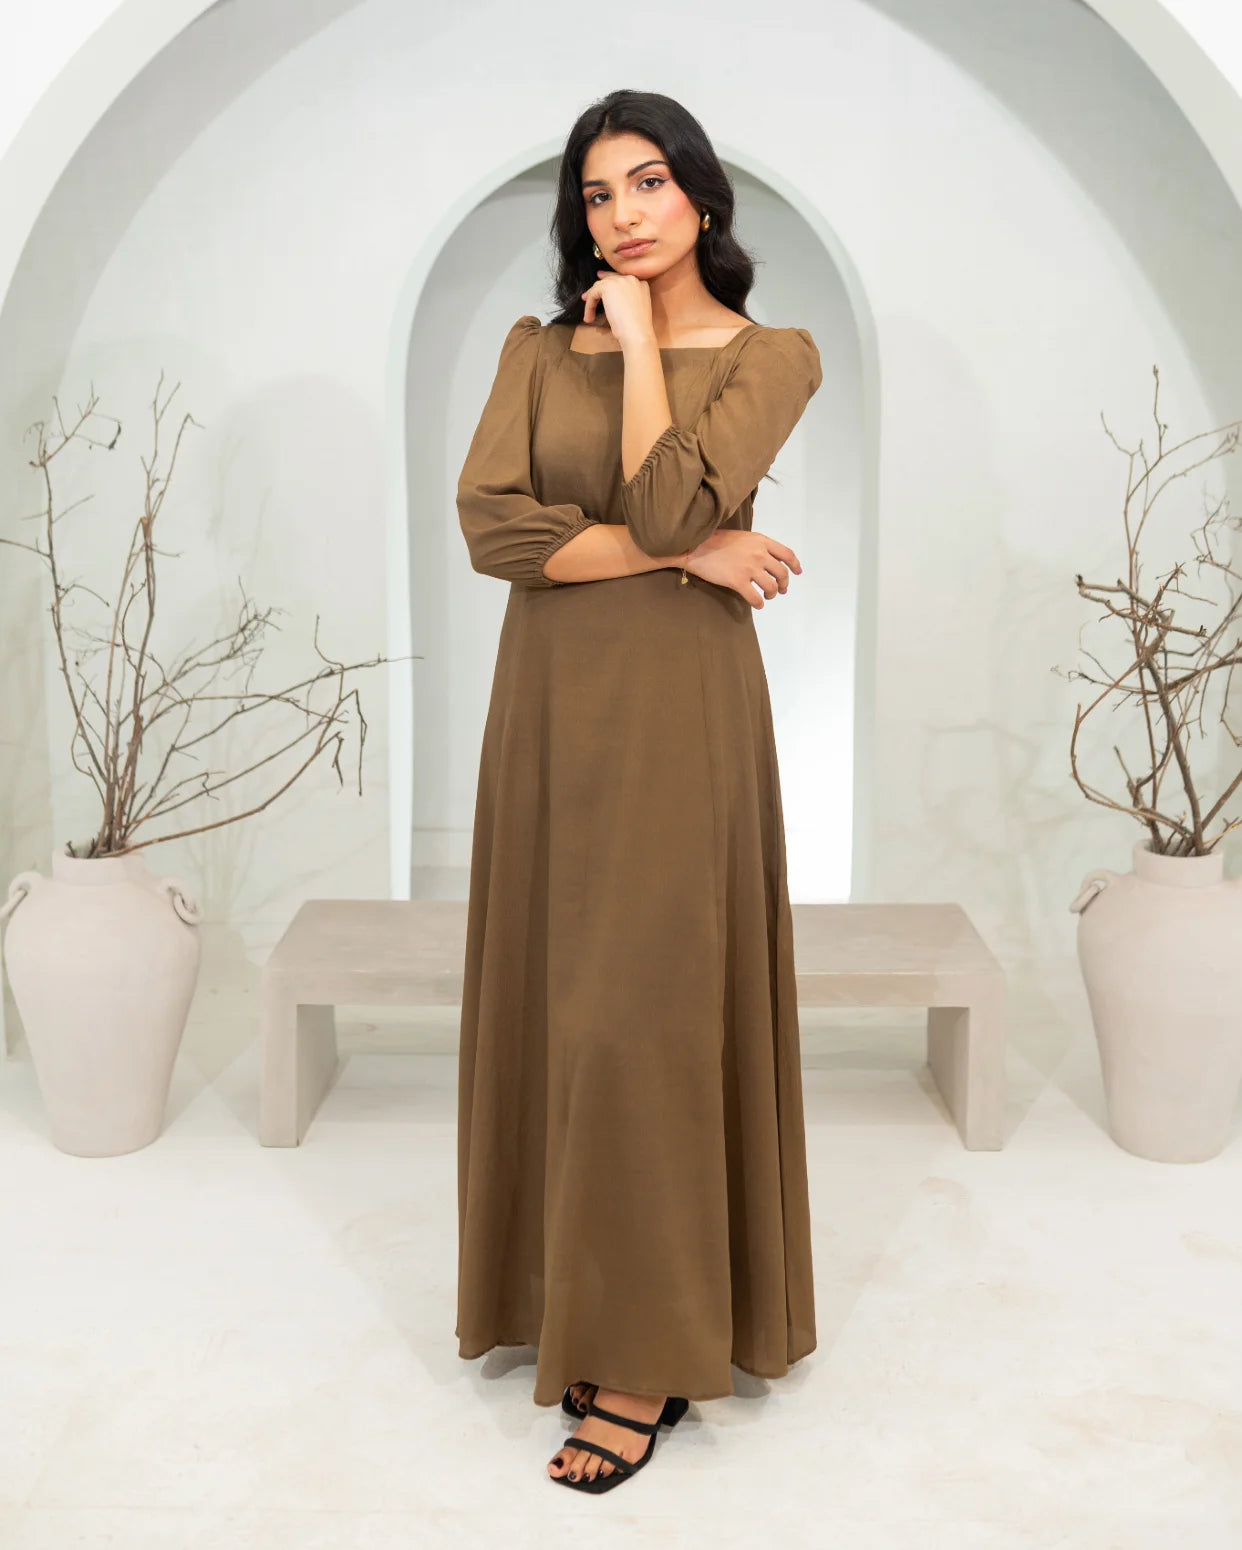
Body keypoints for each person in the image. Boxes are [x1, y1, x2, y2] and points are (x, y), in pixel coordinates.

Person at [454, 87, 823, 1495]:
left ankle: (646, 1352)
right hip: (550, 706)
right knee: (560, 1001)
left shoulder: (770, 355)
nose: (624, 213)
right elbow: (497, 530)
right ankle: (566, 1295)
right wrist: (695, 552)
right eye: (599, 193)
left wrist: (642, 370)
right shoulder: (530, 349)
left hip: (678, 713)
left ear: (701, 200)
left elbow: (664, 499)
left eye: (649, 182)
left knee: (643, 1014)